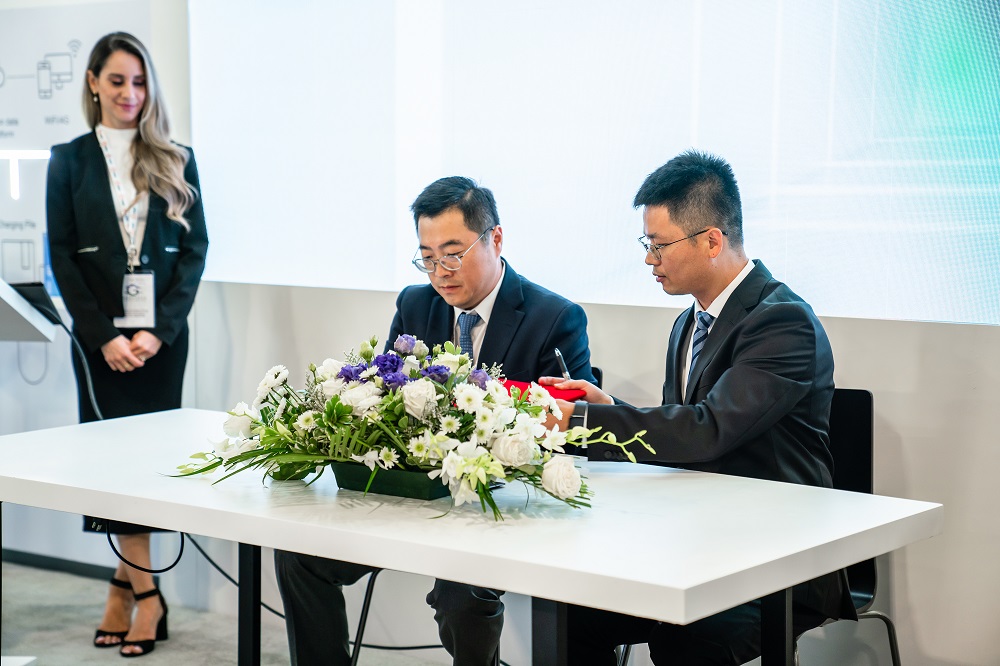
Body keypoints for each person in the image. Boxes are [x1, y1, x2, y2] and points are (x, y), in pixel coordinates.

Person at [543, 150, 855, 665]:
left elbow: (709, 431)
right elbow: (686, 430)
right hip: (699, 540)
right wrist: (608, 405)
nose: (649, 259)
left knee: (688, 637)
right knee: (570, 612)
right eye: (646, 245)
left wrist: (582, 420)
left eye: (659, 245)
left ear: (712, 240)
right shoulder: (689, 321)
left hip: (773, 555)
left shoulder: (783, 321)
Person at [274, 176, 596, 666]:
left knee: (461, 594)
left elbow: (569, 432)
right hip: (411, 494)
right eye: (427, 257)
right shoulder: (414, 303)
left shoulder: (554, 317)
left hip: (494, 508)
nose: (440, 273)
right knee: (300, 554)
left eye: (452, 254)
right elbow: (382, 399)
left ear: (495, 239)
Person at [46, 32, 208, 658]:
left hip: (160, 343)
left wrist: (156, 331)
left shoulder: (177, 157)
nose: (130, 94)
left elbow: (195, 252)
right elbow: (62, 256)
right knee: (108, 468)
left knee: (147, 469)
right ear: (93, 82)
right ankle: (146, 594)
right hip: (99, 344)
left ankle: (124, 589)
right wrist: (104, 337)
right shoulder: (68, 159)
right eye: (117, 81)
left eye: (139, 82)